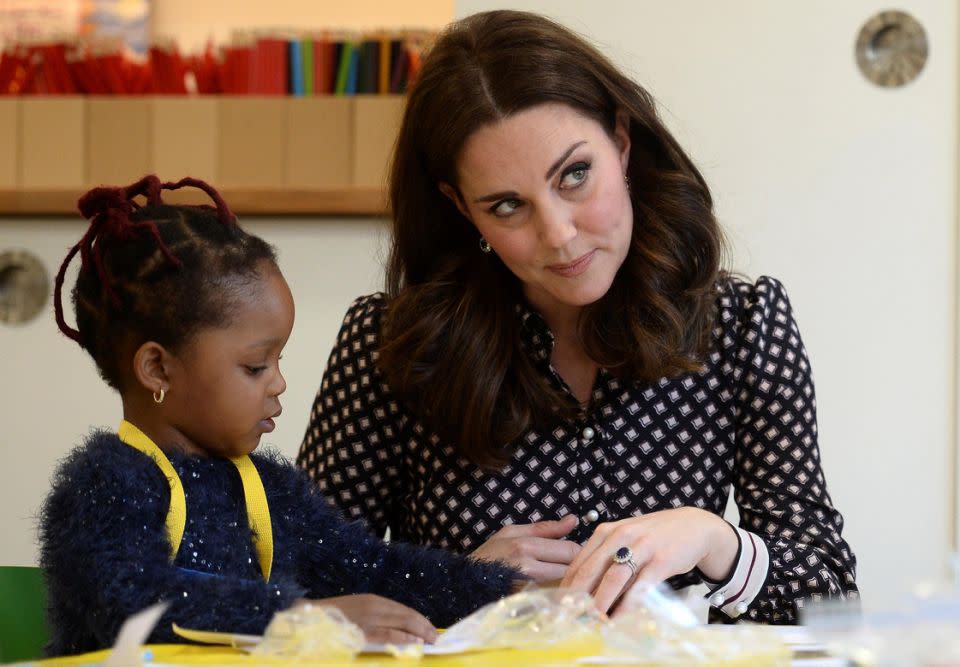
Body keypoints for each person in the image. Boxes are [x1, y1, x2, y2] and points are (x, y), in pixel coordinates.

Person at [298, 10, 858, 624]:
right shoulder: (390, 345)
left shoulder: (742, 324)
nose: (560, 236)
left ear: (621, 142)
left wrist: (711, 538)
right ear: (461, 208)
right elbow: (295, 590)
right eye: (508, 205)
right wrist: (453, 584)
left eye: (576, 175)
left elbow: (830, 595)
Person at [40, 175, 521, 657]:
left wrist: (506, 593)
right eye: (255, 366)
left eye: (279, 361)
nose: (278, 383)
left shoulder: (272, 490)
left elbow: (372, 569)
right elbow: (132, 601)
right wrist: (301, 616)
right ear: (157, 368)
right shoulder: (104, 484)